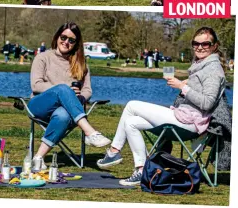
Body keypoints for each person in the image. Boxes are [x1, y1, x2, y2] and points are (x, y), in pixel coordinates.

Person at [96, 27, 227, 186]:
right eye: (195, 43)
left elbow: (207, 103)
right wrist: (188, 83)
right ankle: (141, 170)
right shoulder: (202, 64)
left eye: (205, 44)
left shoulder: (213, 69)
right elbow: (202, 88)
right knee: (131, 123)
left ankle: (113, 152)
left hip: (189, 124)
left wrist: (182, 87)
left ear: (214, 46)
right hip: (184, 116)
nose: (199, 47)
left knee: (131, 105)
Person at [29, 22, 111, 170]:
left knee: (63, 115)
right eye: (63, 37)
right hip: (40, 105)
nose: (66, 42)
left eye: (71, 40)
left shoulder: (80, 63)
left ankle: (38, 158)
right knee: (62, 89)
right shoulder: (43, 57)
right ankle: (89, 132)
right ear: (57, 37)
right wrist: (64, 90)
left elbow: (88, 90)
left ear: (76, 43)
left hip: (67, 111)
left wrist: (80, 98)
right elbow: (36, 85)